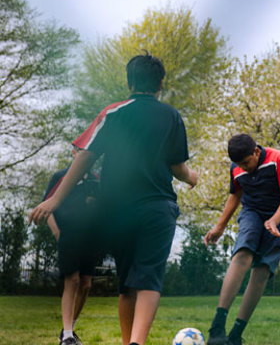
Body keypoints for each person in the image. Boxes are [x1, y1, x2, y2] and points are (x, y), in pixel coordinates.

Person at [30, 52, 198, 345]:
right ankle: (136, 343)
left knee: (126, 285)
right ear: (161, 83)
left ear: (128, 82)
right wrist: (192, 177)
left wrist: (54, 200)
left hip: (117, 212)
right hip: (157, 208)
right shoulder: (171, 116)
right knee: (149, 279)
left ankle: (127, 343)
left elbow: (85, 156)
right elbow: (177, 167)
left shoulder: (113, 113)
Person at [204, 134, 280, 345]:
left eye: (246, 162)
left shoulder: (279, 160)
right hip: (252, 212)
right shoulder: (236, 168)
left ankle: (236, 335)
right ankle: (217, 327)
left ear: (256, 151)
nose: (243, 168)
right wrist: (220, 226)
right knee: (242, 253)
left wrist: (274, 221)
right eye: (239, 164)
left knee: (262, 270)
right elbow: (235, 195)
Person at [43, 146, 100, 345]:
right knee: (72, 280)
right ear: (73, 153)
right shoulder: (60, 177)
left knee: (86, 284)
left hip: (91, 238)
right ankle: (67, 335)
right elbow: (47, 208)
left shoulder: (96, 179)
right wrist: (57, 232)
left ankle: (68, 331)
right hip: (68, 236)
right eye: (79, 150)